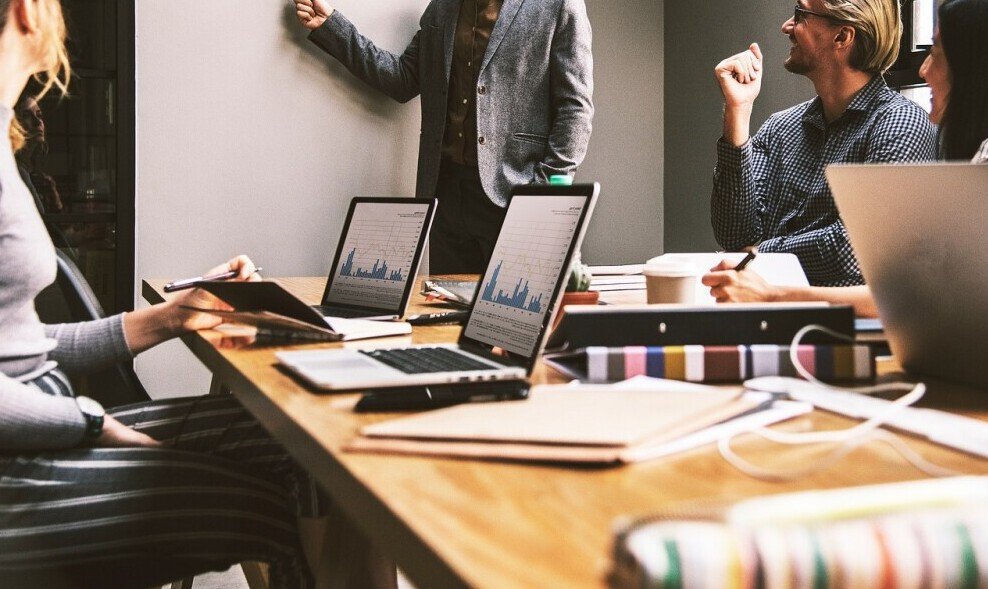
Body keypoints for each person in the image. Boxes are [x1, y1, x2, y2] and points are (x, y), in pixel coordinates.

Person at [0, 1, 329, 587]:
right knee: (277, 505)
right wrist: (93, 425)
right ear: (28, 12)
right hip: (21, 474)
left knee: (309, 445)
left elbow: (19, 348)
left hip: (41, 440)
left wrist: (174, 316)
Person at [703, 0, 988, 317]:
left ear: (842, 37)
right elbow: (733, 235)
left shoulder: (901, 125)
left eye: (800, 14)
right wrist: (737, 114)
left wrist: (757, 255)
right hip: (766, 318)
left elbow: (854, 254)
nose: (787, 26)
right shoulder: (779, 128)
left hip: (844, 329)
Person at [293, 0, 593, 273]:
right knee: (447, 320)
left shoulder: (559, 5)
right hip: (446, 195)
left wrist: (541, 190)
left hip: (514, 194)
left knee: (511, 321)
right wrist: (332, 25)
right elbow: (402, 79)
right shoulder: (442, 8)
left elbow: (575, 107)